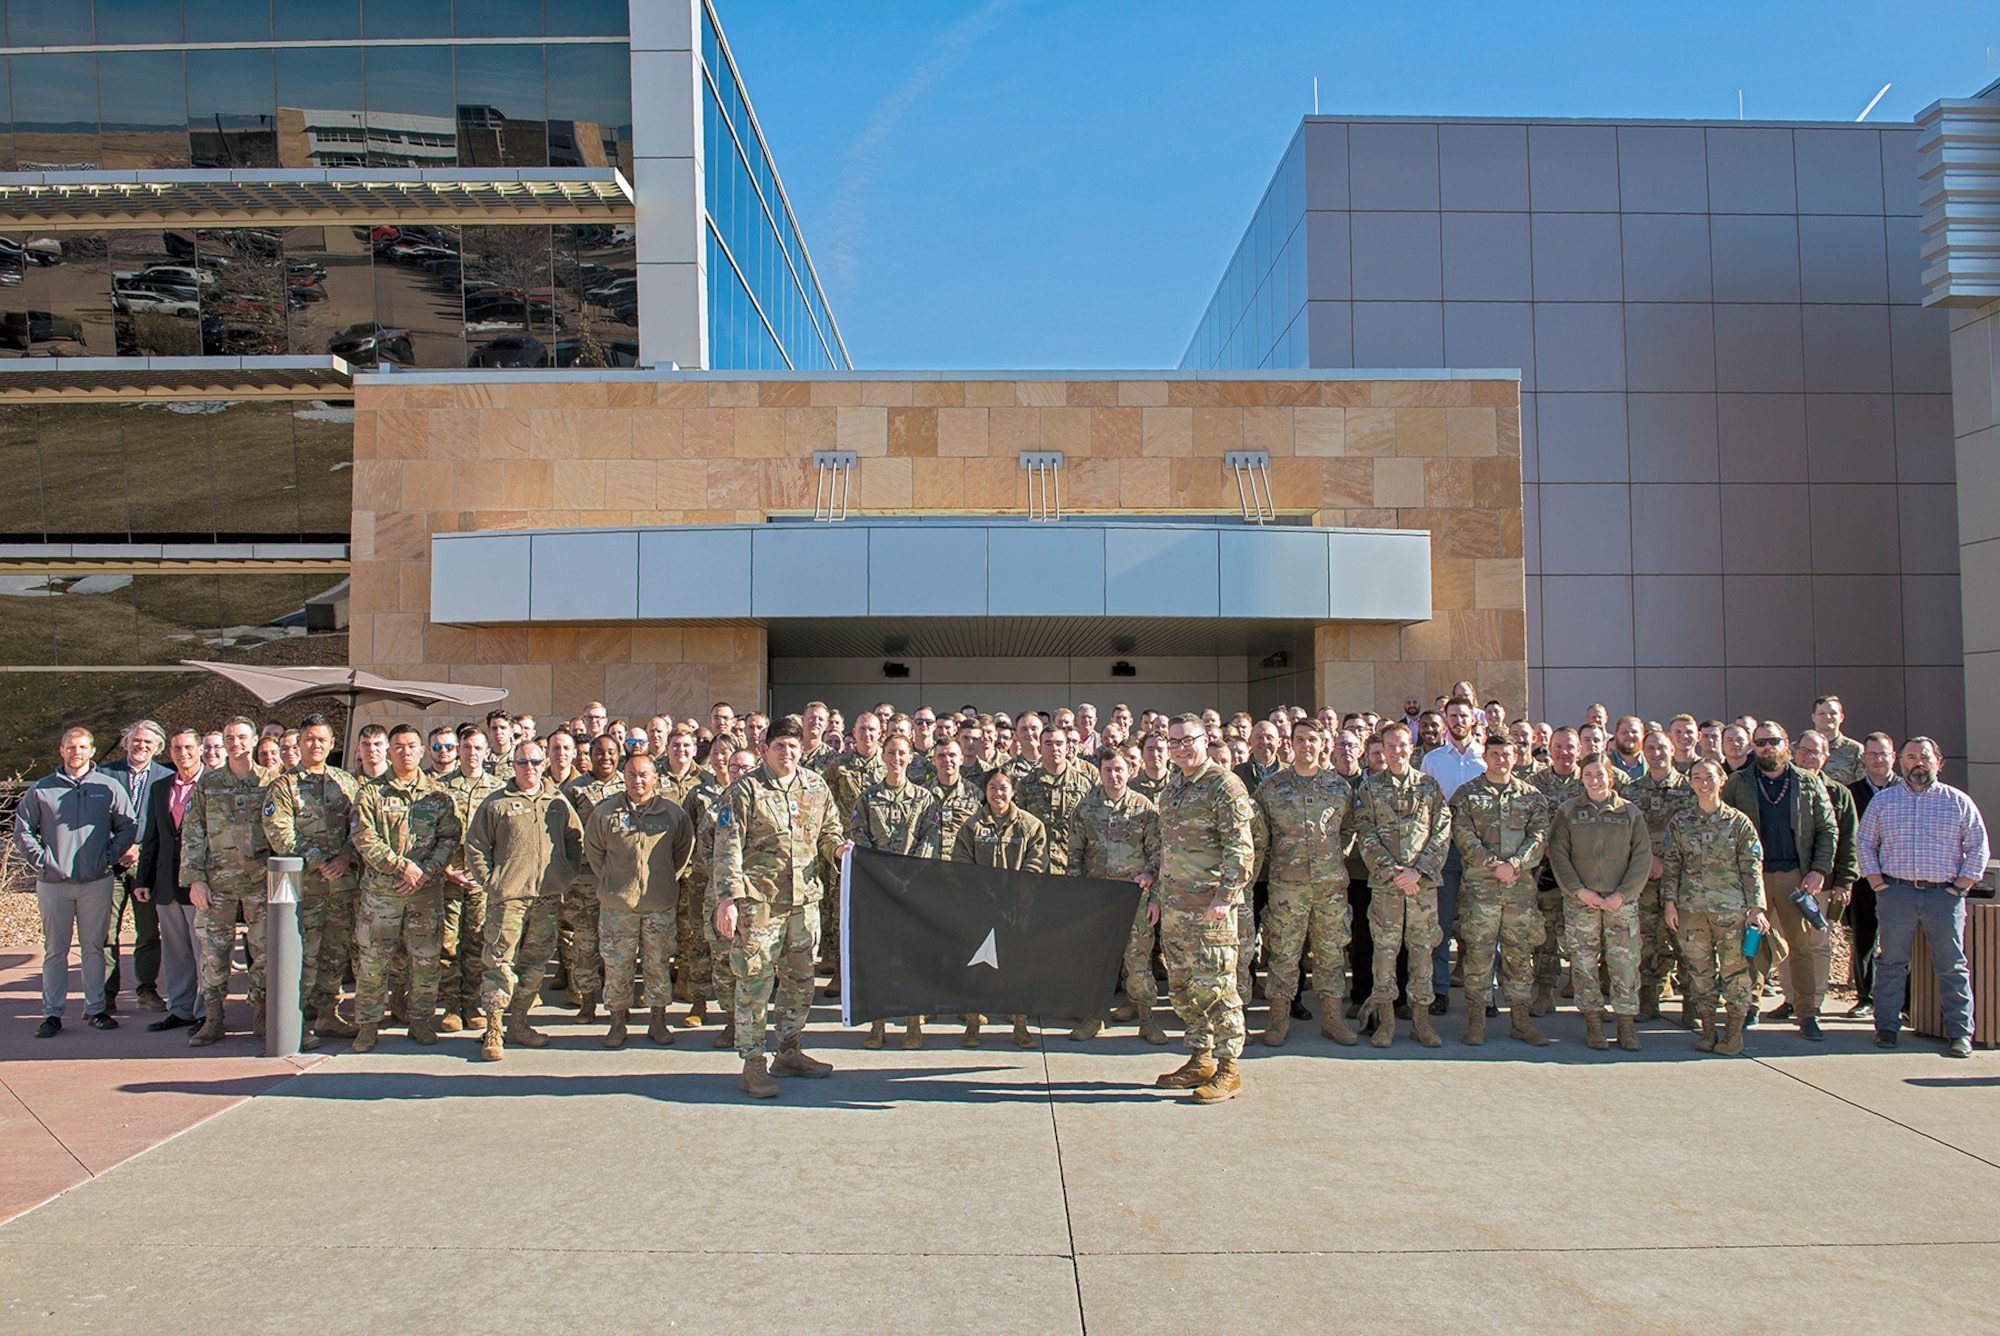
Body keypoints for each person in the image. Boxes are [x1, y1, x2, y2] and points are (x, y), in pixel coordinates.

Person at [714, 716, 846, 1098]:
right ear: (764, 750)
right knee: (754, 983)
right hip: (759, 906)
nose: (787, 753)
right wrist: (728, 900)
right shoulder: (745, 791)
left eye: (792, 746)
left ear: (802, 748)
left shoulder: (816, 786)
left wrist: (838, 849)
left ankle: (789, 1050)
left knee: (800, 983)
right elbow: (727, 850)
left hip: (804, 905)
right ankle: (753, 1063)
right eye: (779, 747)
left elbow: (829, 831)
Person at [1857, 737, 1990, 1058]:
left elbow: (1978, 847)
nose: (1918, 762)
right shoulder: (1884, 802)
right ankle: (1886, 1027)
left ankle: (1960, 1033)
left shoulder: (1957, 802)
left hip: (1943, 896)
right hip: (1896, 893)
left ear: (1938, 762)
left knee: (1952, 966)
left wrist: (1960, 887)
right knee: (1890, 963)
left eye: (1924, 757)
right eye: (1911, 757)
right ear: (1901, 762)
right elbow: (1864, 843)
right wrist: (1876, 882)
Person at [1151, 713, 1256, 1102]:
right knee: (1182, 988)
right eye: (1174, 741)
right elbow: (1167, 845)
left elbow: (1241, 849)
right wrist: (1155, 886)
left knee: (1217, 989)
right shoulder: (1172, 787)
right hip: (1176, 906)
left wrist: (1225, 898)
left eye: (1187, 740)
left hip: (1210, 909)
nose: (1180, 748)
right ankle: (1201, 1058)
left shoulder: (1223, 786)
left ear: (1205, 740)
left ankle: (1229, 1070)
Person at [16, 727, 137, 1038]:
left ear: (92, 751)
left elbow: (128, 826)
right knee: (55, 949)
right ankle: (52, 1014)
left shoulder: (109, 788)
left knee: (93, 947)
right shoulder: (42, 789)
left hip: (96, 881)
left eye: (83, 747)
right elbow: (23, 830)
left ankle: (96, 1008)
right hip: (54, 884)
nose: (76, 752)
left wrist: (108, 856)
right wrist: (43, 861)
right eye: (71, 747)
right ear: (61, 751)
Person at [347, 725, 462, 1052]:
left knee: (425, 961)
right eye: (398, 746)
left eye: (412, 746)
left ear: (422, 751)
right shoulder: (370, 793)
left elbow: (450, 836)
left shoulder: (438, 795)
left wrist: (424, 872)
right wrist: (402, 867)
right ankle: (367, 1025)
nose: (405, 752)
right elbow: (364, 838)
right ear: (388, 751)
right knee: (373, 962)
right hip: (382, 895)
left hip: (425, 893)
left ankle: (420, 1019)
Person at [1721, 723, 1837, 1040]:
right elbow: (1724, 826)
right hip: (1752, 878)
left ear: (1787, 743)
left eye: (1773, 741)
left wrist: (1818, 869)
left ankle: (1807, 1013)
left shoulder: (1808, 782)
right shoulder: (1737, 783)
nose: (1767, 747)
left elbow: (1828, 830)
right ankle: (1749, 1007)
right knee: (1752, 946)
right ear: (1752, 747)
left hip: (1794, 878)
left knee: (1802, 948)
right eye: (1760, 742)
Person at [470, 739, 584, 1061]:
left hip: (546, 897)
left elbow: (575, 840)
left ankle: (519, 1022)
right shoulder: (496, 804)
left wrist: (564, 874)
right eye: (523, 762)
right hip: (508, 898)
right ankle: (494, 1027)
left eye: (535, 761)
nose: (530, 768)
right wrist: (492, 883)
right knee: (499, 963)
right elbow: (476, 846)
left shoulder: (557, 802)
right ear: (513, 766)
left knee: (535, 963)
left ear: (543, 762)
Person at [261, 714, 362, 1049]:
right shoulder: (283, 786)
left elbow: (361, 828)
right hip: (305, 888)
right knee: (304, 955)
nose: (315, 745)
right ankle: (297, 1020)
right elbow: (281, 834)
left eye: (322, 739)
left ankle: (328, 1014)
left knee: (335, 954)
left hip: (342, 886)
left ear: (332, 744)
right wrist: (322, 862)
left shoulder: (346, 782)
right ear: (298, 743)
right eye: (309, 739)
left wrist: (345, 857)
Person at [1252, 721, 1355, 1047]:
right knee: (1283, 953)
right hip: (1287, 888)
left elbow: (1350, 829)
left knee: (1330, 953)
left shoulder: (1339, 788)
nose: (1306, 745)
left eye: (1313, 739)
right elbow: (1258, 835)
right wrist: (1278, 865)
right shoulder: (1271, 787)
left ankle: (1333, 1019)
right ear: (1290, 743)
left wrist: (1334, 858)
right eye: (1300, 739)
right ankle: (1278, 1019)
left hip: (1330, 888)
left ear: (1323, 743)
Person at [585, 752, 695, 1049]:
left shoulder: (672, 814)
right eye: (632, 774)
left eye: (644, 774)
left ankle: (658, 1021)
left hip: (659, 904)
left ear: (654, 777)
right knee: (617, 966)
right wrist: (616, 882)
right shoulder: (605, 813)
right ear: (624, 777)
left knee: (658, 964)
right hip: (618, 907)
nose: (638, 780)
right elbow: (595, 853)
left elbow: (683, 852)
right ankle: (617, 1023)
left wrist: (663, 879)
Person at [1447, 733, 1552, 1046]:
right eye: (1494, 754)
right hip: (1481, 891)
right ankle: (1476, 1021)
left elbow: (1539, 837)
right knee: (1478, 956)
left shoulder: (1531, 796)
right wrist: (1493, 864)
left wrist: (1515, 865)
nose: (1501, 760)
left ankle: (1520, 1021)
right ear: (1486, 757)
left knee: (1519, 957)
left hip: (1519, 893)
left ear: (1515, 758)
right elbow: (1462, 834)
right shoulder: (1467, 794)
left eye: (1506, 754)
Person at [1661, 759, 1768, 1056]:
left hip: (1731, 911)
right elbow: (1672, 865)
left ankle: (1733, 1033)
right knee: (1700, 972)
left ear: (1722, 780)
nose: (1703, 782)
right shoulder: (1681, 822)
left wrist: (1756, 908)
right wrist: (1669, 904)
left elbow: (1751, 866)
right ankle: (1707, 1030)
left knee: (1735, 973)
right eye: (1696, 777)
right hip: (1691, 910)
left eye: (1709, 777)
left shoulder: (1738, 822)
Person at [180, 717, 276, 1047]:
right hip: (217, 883)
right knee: (213, 953)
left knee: (264, 951)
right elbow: (193, 833)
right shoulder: (209, 784)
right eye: (229, 738)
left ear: (253, 742)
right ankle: (213, 1018)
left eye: (241, 737)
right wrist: (195, 880)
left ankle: (261, 1014)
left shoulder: (270, 781)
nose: (235, 743)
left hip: (260, 881)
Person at [1355, 721, 1451, 1049]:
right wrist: (1392, 871)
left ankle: (1421, 1023)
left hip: (1421, 887)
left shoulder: (1429, 787)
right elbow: (1364, 833)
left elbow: (1441, 832)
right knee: (1384, 952)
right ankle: (1386, 1022)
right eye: (1389, 746)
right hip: (1387, 886)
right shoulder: (1369, 789)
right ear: (1381, 749)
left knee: (1422, 952)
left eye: (1401, 745)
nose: (1396, 752)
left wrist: (1419, 872)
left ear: (1412, 748)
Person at [1548, 754, 1652, 1051]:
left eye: (1600, 774)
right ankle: (1593, 1024)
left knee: (1625, 966)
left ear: (1611, 777)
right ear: (1581, 778)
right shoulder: (1568, 811)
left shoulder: (1629, 813)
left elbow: (1642, 857)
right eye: (1589, 775)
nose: (1595, 780)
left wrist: (1623, 894)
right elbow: (1559, 854)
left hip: (1621, 902)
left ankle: (1626, 1025)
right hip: (1582, 902)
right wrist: (1580, 891)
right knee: (1583, 965)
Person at [845, 733, 942, 1049]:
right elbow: (858, 835)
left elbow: (930, 838)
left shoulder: (925, 799)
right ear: (883, 756)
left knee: (913, 957)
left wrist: (911, 876)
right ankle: (878, 1024)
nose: (896, 758)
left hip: (914, 889)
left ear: (911, 757)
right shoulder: (868, 798)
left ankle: (913, 1023)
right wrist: (881, 873)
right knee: (879, 956)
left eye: (902, 753)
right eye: (891, 752)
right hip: (879, 888)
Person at [1067, 747, 1163, 1044]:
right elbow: (1075, 855)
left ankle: (1147, 1020)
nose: (1114, 775)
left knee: (1138, 961)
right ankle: (1093, 1018)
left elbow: (1159, 852)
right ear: (1100, 772)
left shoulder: (1144, 808)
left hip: (1134, 897)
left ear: (1129, 771)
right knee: (1096, 961)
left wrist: (1153, 888)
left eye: (1119, 769)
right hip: (1098, 897)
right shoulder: (1085, 808)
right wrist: (1076, 896)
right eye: (1108, 770)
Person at [949, 769, 1048, 1050]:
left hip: (1017, 910)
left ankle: (1020, 1026)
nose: (998, 793)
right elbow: (962, 863)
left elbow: (1036, 865)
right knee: (975, 968)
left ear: (1013, 791)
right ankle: (972, 1024)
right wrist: (985, 895)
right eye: (992, 787)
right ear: (985, 791)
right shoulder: (972, 826)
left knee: (1018, 968)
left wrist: (1012, 896)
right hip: (980, 908)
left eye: (1003, 788)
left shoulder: (1030, 826)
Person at [689, 746, 761, 1051]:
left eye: (746, 768)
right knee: (722, 962)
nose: (739, 773)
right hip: (720, 897)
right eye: (734, 768)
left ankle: (754, 1025)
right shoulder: (715, 809)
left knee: (756, 964)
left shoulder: (764, 804)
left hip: (757, 899)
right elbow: (706, 854)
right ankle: (731, 1022)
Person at [135, 728, 205, 1032]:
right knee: (176, 953)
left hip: (200, 885)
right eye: (177, 748)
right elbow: (153, 837)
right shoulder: (160, 787)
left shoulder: (213, 785)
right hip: (166, 883)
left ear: (200, 749)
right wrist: (143, 879)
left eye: (188, 747)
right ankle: (180, 1009)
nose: (183, 753)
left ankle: (206, 1012)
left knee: (204, 951)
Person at [99, 720, 171, 1014]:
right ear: (126, 742)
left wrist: (139, 849)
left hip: (147, 865)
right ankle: (105, 994)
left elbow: (165, 824)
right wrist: (119, 849)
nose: (141, 746)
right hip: (110, 865)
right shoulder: (104, 774)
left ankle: (146, 990)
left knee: (148, 931)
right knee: (105, 933)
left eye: (148, 743)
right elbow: (94, 819)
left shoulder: (166, 777)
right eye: (136, 740)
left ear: (158, 748)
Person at [1419, 697, 1484, 1016]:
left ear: (1473, 720)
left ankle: (1484, 993)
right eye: (1453, 715)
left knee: (1482, 926)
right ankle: (1439, 989)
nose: (1458, 720)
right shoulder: (1432, 760)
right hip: (1446, 851)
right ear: (1445, 720)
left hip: (1482, 853)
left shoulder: (1486, 759)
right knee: (1441, 925)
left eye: (1464, 716)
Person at [437, 729, 505, 1033]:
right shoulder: (438, 789)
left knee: (478, 942)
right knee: (447, 944)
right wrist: (446, 869)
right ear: (457, 750)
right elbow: (426, 835)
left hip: (483, 883)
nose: (471, 752)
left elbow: (506, 839)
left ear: (486, 751)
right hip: (448, 879)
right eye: (465, 747)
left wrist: (488, 874)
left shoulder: (499, 790)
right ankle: (451, 1006)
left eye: (478, 747)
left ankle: (471, 1002)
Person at [1625, 729, 1695, 1023]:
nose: (1656, 753)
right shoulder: (1631, 791)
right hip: (1643, 880)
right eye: (1650, 748)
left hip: (1679, 880)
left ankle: (1693, 1005)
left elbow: (1694, 834)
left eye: (1661, 747)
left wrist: (1666, 863)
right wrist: (1648, 862)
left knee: (1686, 944)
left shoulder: (1690, 789)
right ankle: (1648, 1001)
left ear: (1672, 749)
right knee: (1646, 942)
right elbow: (1624, 836)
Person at [558, 734, 625, 1023]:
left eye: (611, 752)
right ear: (589, 756)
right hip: (585, 879)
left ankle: (618, 1004)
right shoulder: (574, 790)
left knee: (618, 945)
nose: (605, 757)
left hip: (619, 878)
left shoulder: (629, 785)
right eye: (599, 752)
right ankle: (586, 999)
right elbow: (564, 834)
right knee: (585, 942)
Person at [1843, 732, 1899, 1018]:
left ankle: (1905, 1001)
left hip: (1899, 879)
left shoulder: (1906, 790)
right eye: (1872, 754)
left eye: (1883, 753)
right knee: (1864, 937)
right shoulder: (1851, 793)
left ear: (1893, 757)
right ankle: (1865, 997)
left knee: (1899, 940)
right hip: (1864, 878)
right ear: (1863, 758)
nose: (1878, 759)